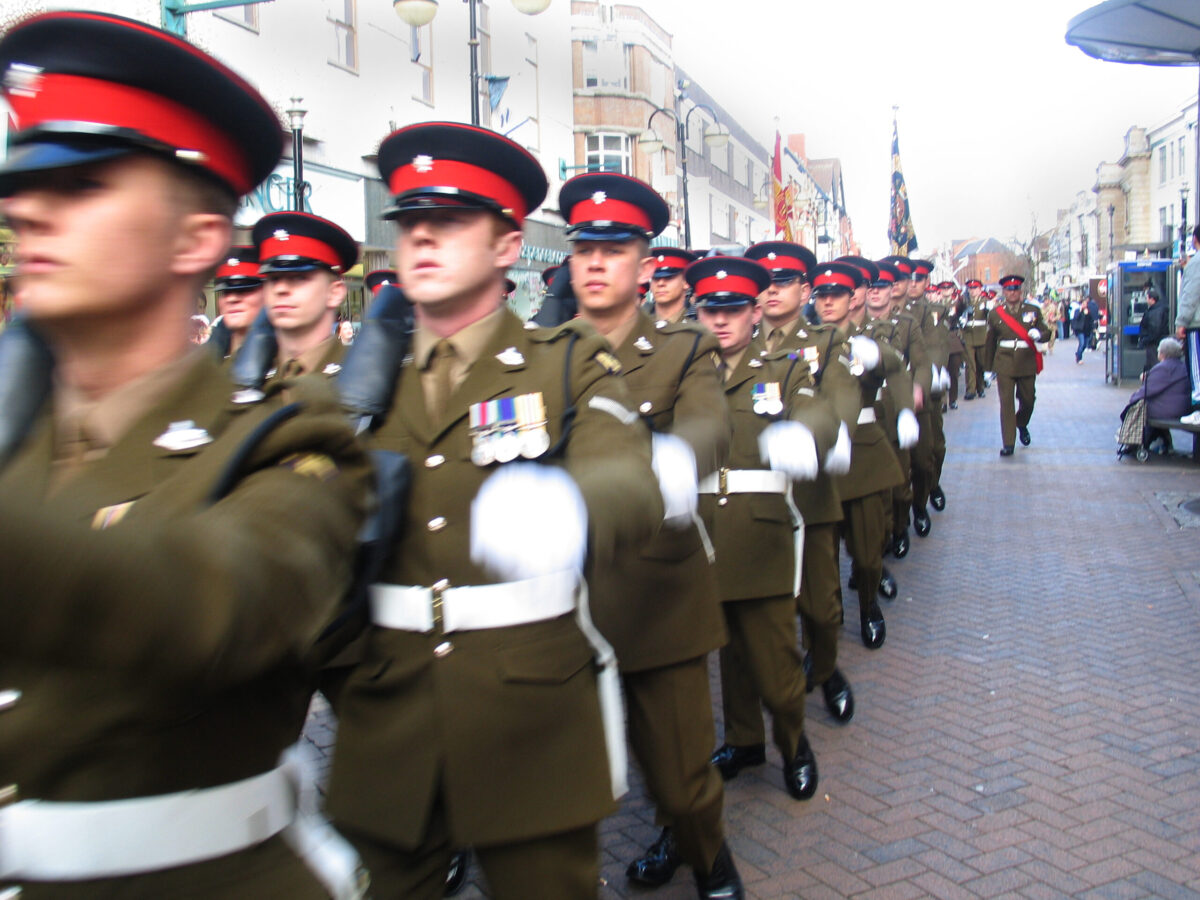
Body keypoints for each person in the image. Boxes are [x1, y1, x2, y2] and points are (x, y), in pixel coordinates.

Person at [0, 11, 371, 897]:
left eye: (85, 184)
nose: (27, 209)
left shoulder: (292, 435)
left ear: (197, 240)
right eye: (25, 187)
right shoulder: (19, 434)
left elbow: (215, 604)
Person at [324, 121, 664, 900]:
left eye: (448, 223)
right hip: (391, 710)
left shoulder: (569, 362)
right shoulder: (360, 387)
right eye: (410, 224)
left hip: (529, 710)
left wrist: (568, 508)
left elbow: (630, 479)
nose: (422, 240)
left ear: (509, 246)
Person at [560, 172, 742, 898]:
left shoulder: (682, 348)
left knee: (682, 769)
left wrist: (673, 461)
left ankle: (708, 858)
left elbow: (709, 423)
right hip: (561, 599)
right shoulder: (540, 354)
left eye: (617, 248)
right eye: (584, 249)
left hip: (654, 588)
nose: (597, 262)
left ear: (644, 265)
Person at [689, 255, 838, 805]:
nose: (721, 321)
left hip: (760, 532)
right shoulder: (687, 374)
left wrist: (806, 438)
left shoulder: (784, 367)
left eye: (733, 310)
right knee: (727, 654)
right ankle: (744, 740)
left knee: (774, 657)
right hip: (702, 533)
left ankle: (793, 742)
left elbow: (815, 411)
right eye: (710, 309)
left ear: (755, 312)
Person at [748, 242, 859, 714]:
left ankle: (827, 668)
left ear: (805, 290)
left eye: (785, 282)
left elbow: (839, 398)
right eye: (766, 283)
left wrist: (821, 438)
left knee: (820, 603)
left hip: (809, 491)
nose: (773, 291)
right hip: (757, 494)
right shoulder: (737, 342)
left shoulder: (826, 342)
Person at [252, 211, 357, 380]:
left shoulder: (360, 375)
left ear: (335, 293)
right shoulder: (248, 379)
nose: (280, 288)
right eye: (274, 279)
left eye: (299, 278)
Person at [985, 274, 1049, 456]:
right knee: (1006, 403)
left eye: (1016, 289)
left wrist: (1039, 334)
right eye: (1008, 290)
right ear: (1004, 292)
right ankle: (1008, 443)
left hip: (1026, 360)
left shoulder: (1032, 310)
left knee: (1028, 399)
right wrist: (988, 368)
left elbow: (1047, 332)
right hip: (1004, 361)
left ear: (1020, 291)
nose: (1012, 293)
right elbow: (990, 342)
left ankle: (1021, 422)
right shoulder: (995, 313)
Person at [1128, 337, 1192, 451]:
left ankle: (1138, 444)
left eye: (1158, 351)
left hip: (1171, 409)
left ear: (1162, 353)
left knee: (1142, 408)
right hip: (1182, 407)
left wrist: (1133, 399)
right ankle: (1163, 442)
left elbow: (1147, 391)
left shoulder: (1163, 368)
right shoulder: (1182, 365)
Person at [209, 245, 265, 358]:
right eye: (225, 292)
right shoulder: (205, 359)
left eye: (243, 290)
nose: (231, 299)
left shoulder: (286, 353)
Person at [1175, 227, 1200, 404]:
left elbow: (1190, 294)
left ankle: (1198, 407)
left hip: (1196, 324)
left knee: (1196, 368)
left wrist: (1181, 321)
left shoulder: (1196, 263)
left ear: (1195, 240)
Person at [645, 246, 699, 323]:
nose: (660, 283)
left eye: (668, 278)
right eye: (655, 278)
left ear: (686, 282)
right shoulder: (636, 324)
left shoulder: (698, 326)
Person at [962, 279, 989, 399]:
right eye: (971, 289)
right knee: (970, 364)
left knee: (981, 363)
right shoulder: (964, 302)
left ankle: (980, 387)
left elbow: (990, 316)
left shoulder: (985, 302)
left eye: (975, 289)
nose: (973, 291)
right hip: (968, 334)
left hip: (981, 334)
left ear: (980, 290)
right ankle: (970, 390)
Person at [1138, 287, 1170, 373]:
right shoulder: (1158, 309)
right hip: (1155, 341)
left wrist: (1145, 339)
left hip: (1153, 343)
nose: (1146, 300)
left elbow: (1155, 329)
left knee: (1153, 365)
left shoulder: (1155, 312)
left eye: (1147, 298)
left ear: (1152, 299)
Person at [1071, 296, 1093, 364]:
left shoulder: (1088, 311)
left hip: (1087, 330)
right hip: (1080, 330)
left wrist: (1088, 314)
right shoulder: (1077, 310)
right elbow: (1076, 318)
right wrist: (1080, 311)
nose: (1084, 305)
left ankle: (1078, 353)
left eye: (1085, 304)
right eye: (1083, 304)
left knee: (1084, 345)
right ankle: (1079, 358)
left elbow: (1091, 320)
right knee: (1082, 343)